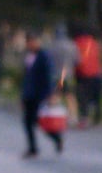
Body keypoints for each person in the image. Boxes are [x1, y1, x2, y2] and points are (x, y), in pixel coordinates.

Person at [20, 29, 61, 158]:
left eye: (32, 41)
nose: (30, 44)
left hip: (40, 95)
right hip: (29, 94)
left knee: (39, 121)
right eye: (28, 41)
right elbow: (27, 76)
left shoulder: (44, 55)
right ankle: (33, 148)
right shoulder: (29, 55)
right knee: (28, 122)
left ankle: (56, 138)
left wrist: (51, 94)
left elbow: (49, 76)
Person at [47, 23, 79, 126]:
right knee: (70, 96)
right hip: (68, 74)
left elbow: (47, 61)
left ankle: (53, 116)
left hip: (55, 75)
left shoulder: (52, 45)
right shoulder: (72, 45)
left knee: (55, 95)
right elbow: (77, 60)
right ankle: (73, 118)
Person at [73, 28, 101, 128]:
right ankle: (97, 118)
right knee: (95, 97)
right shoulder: (94, 43)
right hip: (96, 73)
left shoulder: (77, 43)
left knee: (82, 97)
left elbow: (76, 59)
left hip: (82, 74)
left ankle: (84, 119)